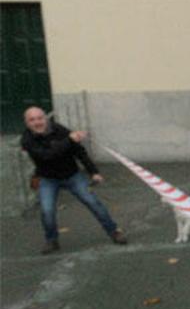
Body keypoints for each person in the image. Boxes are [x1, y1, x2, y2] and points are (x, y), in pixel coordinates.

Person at [20, 106, 127, 254]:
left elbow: (79, 152)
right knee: (47, 210)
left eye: (40, 118)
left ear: (46, 118)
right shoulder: (27, 140)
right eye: (32, 120)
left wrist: (93, 172)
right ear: (27, 123)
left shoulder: (60, 130)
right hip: (48, 179)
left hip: (72, 176)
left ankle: (114, 231)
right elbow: (46, 155)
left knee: (93, 202)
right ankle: (52, 240)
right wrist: (69, 140)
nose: (37, 122)